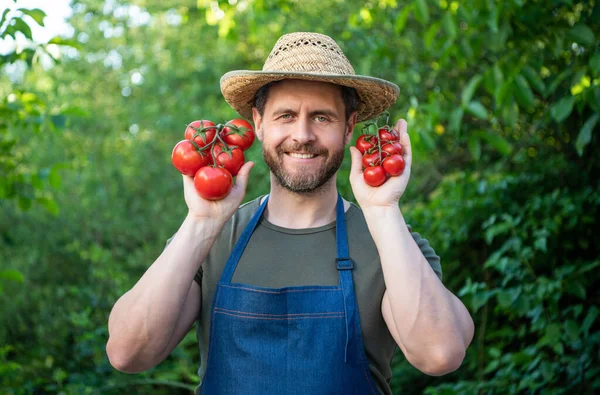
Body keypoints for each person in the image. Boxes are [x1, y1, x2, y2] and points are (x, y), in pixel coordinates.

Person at [106, 32, 474, 394]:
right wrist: (202, 222)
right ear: (259, 123)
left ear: (349, 128)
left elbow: (440, 354)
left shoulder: (392, 243)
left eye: (322, 118)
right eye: (285, 115)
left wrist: (383, 210)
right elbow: (128, 352)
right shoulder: (211, 239)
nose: (302, 134)